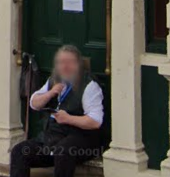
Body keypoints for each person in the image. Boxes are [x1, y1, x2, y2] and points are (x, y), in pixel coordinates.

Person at [10, 43, 104, 177]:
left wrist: (68, 119)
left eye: (69, 63)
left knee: (63, 151)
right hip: (53, 137)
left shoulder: (89, 85)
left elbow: (96, 121)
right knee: (19, 151)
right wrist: (51, 93)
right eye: (61, 63)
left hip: (82, 139)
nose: (64, 67)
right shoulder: (54, 80)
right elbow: (34, 103)